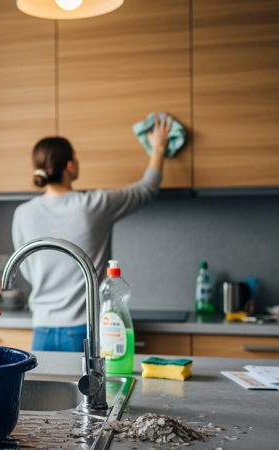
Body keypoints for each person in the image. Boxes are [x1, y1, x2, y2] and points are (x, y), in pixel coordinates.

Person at [11, 113, 173, 352]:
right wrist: (158, 148)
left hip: (41, 330)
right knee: (86, 390)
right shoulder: (94, 205)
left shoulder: (22, 213)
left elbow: (25, 269)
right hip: (82, 331)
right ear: (70, 166)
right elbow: (146, 190)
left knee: (41, 390)